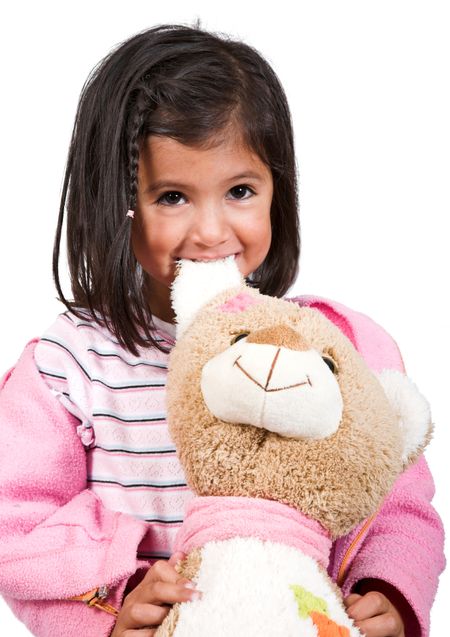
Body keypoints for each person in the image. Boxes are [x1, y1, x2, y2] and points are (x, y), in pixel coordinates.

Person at [0, 23, 444, 637]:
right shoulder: (71, 363)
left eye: (239, 190)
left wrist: (388, 589)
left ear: (276, 194)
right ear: (116, 202)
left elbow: (397, 508)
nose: (210, 232)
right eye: (173, 197)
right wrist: (105, 608)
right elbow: (15, 521)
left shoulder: (327, 347)